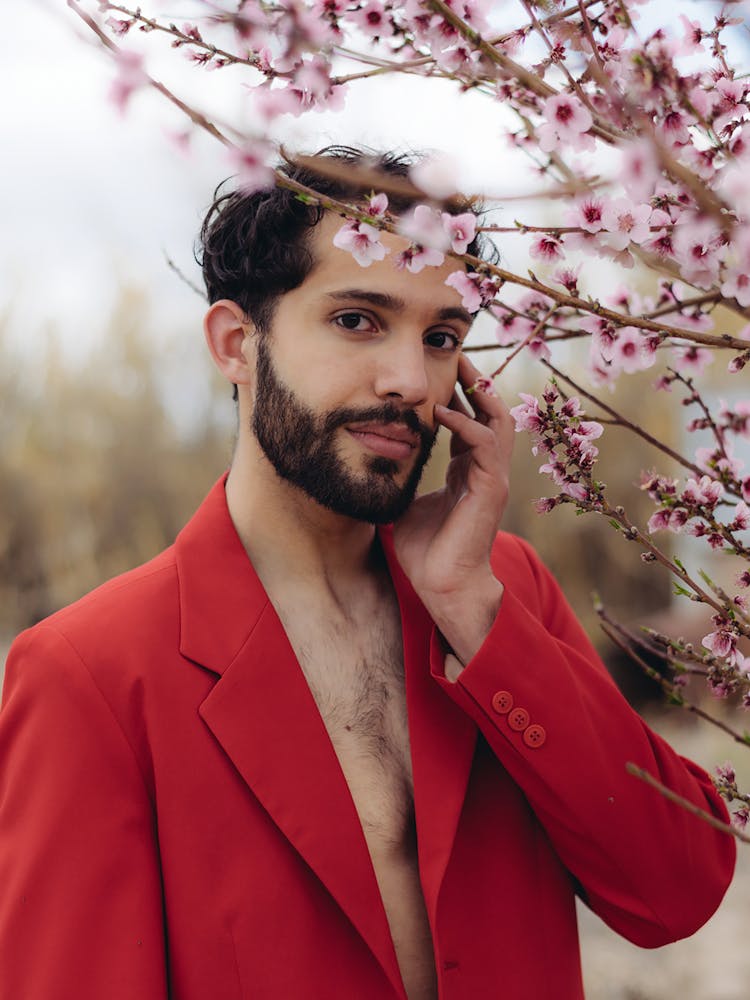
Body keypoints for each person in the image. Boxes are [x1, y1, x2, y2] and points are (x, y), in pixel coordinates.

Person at [0, 147, 736, 1000]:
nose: (408, 380)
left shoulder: (501, 593)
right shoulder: (90, 673)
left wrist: (473, 609)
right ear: (239, 344)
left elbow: (677, 894)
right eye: (357, 320)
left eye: (441, 338)